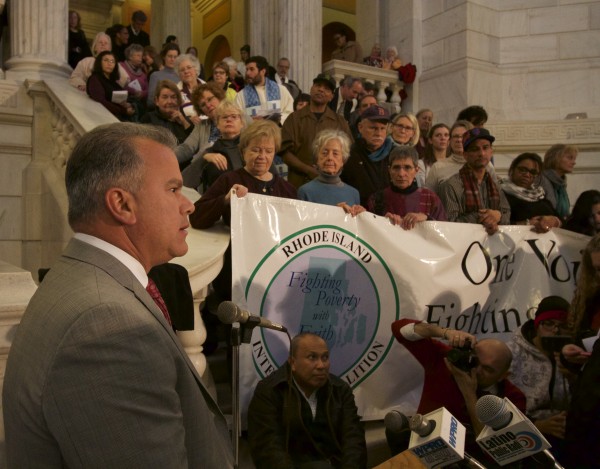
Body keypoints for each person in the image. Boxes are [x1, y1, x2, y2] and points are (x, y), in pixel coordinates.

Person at [2, 123, 234, 468]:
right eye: (173, 189)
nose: (188, 205)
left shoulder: (83, 278)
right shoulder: (106, 326)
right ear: (122, 204)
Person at [390, 319, 526, 459]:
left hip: (470, 462)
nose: (476, 370)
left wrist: (469, 394)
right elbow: (400, 330)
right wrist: (446, 332)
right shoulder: (448, 360)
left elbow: (495, 451)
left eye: (487, 369)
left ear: (503, 376)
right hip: (424, 451)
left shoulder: (513, 397)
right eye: (475, 360)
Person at [248, 333, 367, 469]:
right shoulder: (270, 391)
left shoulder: (340, 390)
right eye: (312, 357)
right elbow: (268, 448)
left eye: (325, 357)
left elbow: (354, 439)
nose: (321, 365)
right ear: (293, 363)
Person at [507, 296, 571, 462]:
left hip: (565, 433)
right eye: (548, 323)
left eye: (562, 326)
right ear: (537, 325)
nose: (555, 331)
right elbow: (499, 405)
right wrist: (537, 426)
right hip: (522, 434)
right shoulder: (511, 353)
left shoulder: (573, 354)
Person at [281, 73, 352, 188]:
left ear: (331, 97)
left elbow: (347, 154)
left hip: (330, 185)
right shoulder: (294, 118)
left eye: (326, 89)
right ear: (311, 89)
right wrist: (309, 170)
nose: (321, 90)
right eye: (318, 85)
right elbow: (285, 153)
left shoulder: (340, 122)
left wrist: (330, 170)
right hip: (297, 184)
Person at [439, 127, 510, 235]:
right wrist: (483, 217)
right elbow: (450, 224)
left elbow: (507, 215)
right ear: (465, 155)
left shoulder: (495, 185)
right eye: (475, 149)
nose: (481, 153)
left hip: (495, 247)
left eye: (485, 147)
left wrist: (498, 215)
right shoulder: (451, 185)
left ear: (491, 151)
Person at [368, 146, 447, 229]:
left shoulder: (430, 198)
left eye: (407, 167)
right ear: (389, 170)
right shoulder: (376, 199)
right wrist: (383, 221)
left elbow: (445, 230)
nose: (401, 174)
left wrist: (427, 218)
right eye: (396, 167)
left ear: (416, 170)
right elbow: (368, 230)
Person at [298, 129, 362, 213]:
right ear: (317, 158)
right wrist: (334, 212)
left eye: (335, 153)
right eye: (324, 153)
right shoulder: (305, 191)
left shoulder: (353, 193)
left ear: (343, 160)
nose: (330, 158)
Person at [341, 105, 395, 205]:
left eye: (382, 128)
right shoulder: (348, 155)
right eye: (373, 128)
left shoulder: (395, 155)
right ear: (360, 127)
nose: (378, 133)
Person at [499, 152, 561, 232]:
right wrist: (526, 224)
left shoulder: (540, 197)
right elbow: (498, 225)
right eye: (522, 170)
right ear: (513, 169)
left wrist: (555, 221)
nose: (527, 175)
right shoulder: (500, 193)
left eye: (533, 172)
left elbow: (565, 224)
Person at [196, 101, 246, 192]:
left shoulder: (253, 147)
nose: (229, 120)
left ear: (242, 123)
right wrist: (204, 158)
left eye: (234, 117)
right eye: (224, 117)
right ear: (217, 124)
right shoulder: (210, 152)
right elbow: (186, 181)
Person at [177, 82, 226, 173]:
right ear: (201, 110)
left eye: (210, 99)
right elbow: (186, 148)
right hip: (201, 172)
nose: (208, 105)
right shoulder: (201, 126)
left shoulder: (239, 119)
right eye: (203, 104)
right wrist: (168, 157)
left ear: (219, 97)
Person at [235, 55, 294, 124]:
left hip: (276, 132)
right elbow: (237, 117)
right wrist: (251, 120)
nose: (247, 73)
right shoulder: (241, 95)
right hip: (253, 132)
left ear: (262, 71)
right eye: (247, 69)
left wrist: (277, 120)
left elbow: (289, 112)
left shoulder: (281, 90)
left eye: (251, 69)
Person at [425, 121, 481, 193]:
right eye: (456, 136)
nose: (459, 140)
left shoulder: (483, 163)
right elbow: (427, 197)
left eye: (464, 136)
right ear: (450, 140)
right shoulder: (437, 167)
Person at [140, 80, 193, 145]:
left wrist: (184, 122)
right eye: (165, 97)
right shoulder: (148, 119)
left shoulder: (186, 120)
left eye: (173, 97)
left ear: (178, 100)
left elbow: (195, 145)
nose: (169, 101)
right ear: (156, 101)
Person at [87, 51, 135, 121]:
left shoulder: (113, 82)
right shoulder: (95, 79)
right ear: (99, 62)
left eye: (112, 61)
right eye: (106, 60)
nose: (109, 63)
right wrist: (123, 110)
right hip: (105, 118)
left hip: (118, 116)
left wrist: (126, 104)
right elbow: (101, 101)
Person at [540, 143, 578, 221]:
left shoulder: (561, 184)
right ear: (555, 158)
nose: (574, 162)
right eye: (570, 158)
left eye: (574, 159)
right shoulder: (541, 179)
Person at [146, 43, 180, 108]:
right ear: (164, 57)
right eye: (170, 56)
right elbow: (150, 101)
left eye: (175, 57)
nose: (172, 59)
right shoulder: (155, 75)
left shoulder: (181, 76)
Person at [175, 53, 206, 123]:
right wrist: (188, 120)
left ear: (196, 69)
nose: (186, 71)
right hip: (187, 130)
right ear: (179, 74)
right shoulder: (176, 91)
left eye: (189, 67)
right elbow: (174, 115)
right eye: (182, 70)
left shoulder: (207, 87)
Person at [120, 43, 148, 112]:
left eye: (141, 56)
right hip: (124, 103)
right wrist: (134, 92)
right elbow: (120, 85)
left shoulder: (143, 74)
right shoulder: (121, 67)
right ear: (130, 56)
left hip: (139, 104)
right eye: (138, 55)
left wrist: (141, 94)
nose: (140, 58)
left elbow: (147, 90)